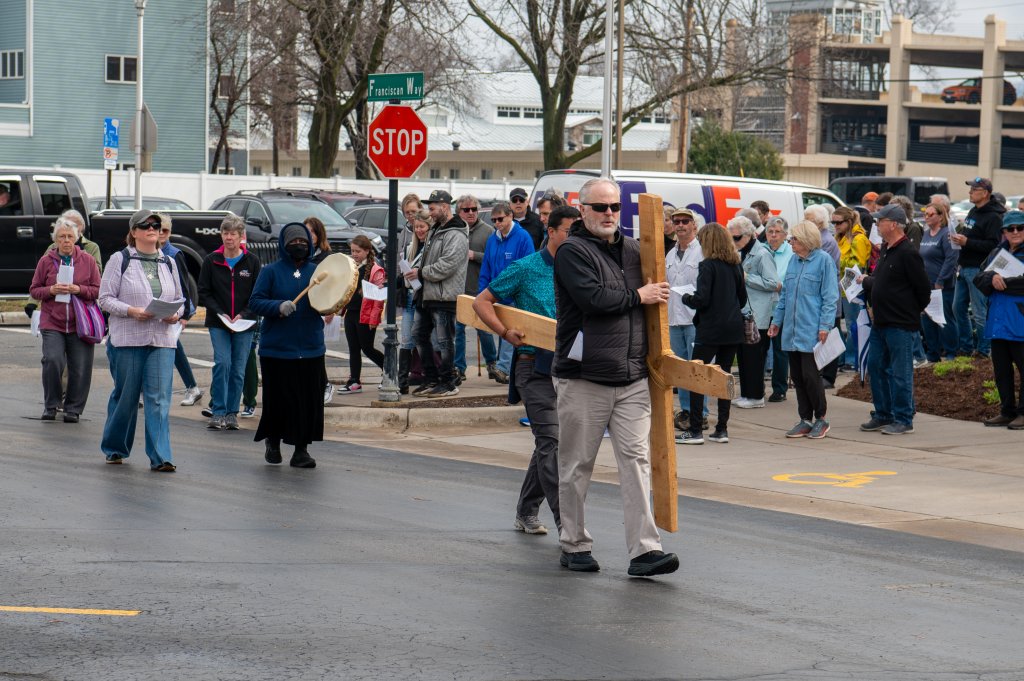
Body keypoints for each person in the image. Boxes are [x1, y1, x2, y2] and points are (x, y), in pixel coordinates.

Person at [552, 177, 678, 577]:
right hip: (584, 377)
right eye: (600, 207)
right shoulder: (572, 251)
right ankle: (574, 543)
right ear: (583, 209)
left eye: (615, 207)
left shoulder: (634, 250)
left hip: (631, 377)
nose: (609, 214)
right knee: (577, 464)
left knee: (637, 462)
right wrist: (639, 296)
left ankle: (645, 550)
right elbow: (593, 299)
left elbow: (658, 282)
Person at [473, 205, 579, 537]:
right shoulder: (526, 267)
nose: (576, 240)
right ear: (552, 231)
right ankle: (568, 525)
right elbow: (481, 301)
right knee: (551, 441)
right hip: (534, 367)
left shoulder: (582, 270)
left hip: (571, 367)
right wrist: (504, 333)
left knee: (550, 443)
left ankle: (526, 510)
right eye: (570, 232)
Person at [98, 210, 184, 471]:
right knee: (127, 397)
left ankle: (161, 456)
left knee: (158, 399)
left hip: (162, 339)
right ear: (133, 232)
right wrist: (132, 311)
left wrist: (175, 314)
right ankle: (115, 447)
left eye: (156, 225)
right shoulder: (120, 259)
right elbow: (105, 299)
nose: (152, 229)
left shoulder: (169, 262)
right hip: (128, 339)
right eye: (145, 225)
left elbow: (180, 299)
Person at [248, 223, 326, 468]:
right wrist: (278, 306)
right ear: (283, 245)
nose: (298, 245)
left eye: (303, 242)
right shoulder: (270, 271)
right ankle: (273, 441)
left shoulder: (317, 272)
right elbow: (255, 301)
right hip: (278, 350)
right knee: (279, 400)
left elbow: (328, 300)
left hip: (311, 348)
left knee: (307, 401)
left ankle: (301, 450)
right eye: (293, 242)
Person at [859, 204, 932, 436]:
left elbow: (923, 290)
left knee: (900, 372)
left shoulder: (908, 252)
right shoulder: (886, 248)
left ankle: (903, 418)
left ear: (893, 224)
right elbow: (882, 281)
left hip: (900, 324)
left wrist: (910, 311)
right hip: (881, 322)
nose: (876, 224)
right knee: (876, 367)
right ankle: (884, 413)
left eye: (880, 221)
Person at [768, 221, 839, 439]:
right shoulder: (794, 261)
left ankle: (821, 418)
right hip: (792, 330)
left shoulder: (824, 261)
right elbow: (785, 295)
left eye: (794, 239)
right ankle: (805, 419)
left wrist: (825, 325)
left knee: (810, 375)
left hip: (812, 330)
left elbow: (830, 297)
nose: (790, 242)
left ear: (807, 240)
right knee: (797, 377)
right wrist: (776, 321)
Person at [678, 223, 747, 445]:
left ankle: (695, 430)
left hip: (710, 329)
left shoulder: (707, 266)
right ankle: (722, 429)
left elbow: (701, 299)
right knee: (725, 376)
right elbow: (742, 299)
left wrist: (686, 298)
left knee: (697, 376)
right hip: (733, 327)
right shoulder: (735, 265)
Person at [28, 216, 102, 422]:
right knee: (52, 360)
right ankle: (51, 405)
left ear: (76, 238)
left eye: (70, 236)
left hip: (81, 322)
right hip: (53, 321)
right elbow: (34, 289)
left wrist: (79, 289)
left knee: (80, 367)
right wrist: (51, 290)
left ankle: (73, 409)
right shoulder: (46, 261)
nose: (66, 240)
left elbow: (98, 290)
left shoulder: (87, 260)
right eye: (62, 237)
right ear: (56, 240)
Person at [197, 214, 262, 430]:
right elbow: (203, 292)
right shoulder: (211, 260)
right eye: (225, 233)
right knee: (222, 363)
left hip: (244, 323)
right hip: (219, 322)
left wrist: (243, 314)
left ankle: (232, 412)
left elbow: (258, 294)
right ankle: (218, 412)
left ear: (241, 236)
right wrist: (220, 313)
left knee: (238, 369)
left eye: (233, 234)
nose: (229, 238)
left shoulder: (252, 261)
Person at [406, 190, 468, 398]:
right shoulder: (436, 230)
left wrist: (421, 273)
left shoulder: (456, 233)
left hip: (445, 296)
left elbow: (448, 265)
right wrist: (419, 273)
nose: (430, 213)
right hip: (427, 294)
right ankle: (431, 379)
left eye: (432, 209)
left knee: (444, 341)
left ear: (445, 207)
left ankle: (448, 382)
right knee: (419, 335)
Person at [973, 210, 1024, 430]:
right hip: (997, 321)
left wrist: (1001, 282)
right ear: (1004, 231)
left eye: (1020, 228)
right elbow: (978, 277)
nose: (1015, 232)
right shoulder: (997, 252)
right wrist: (992, 277)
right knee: (1002, 371)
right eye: (1010, 228)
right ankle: (1007, 411)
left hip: (1020, 322)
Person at [479, 200, 534, 383]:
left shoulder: (523, 237)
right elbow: (486, 268)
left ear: (510, 216)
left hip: (515, 296)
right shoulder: (492, 239)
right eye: (493, 220)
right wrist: (482, 293)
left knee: (510, 332)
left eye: (500, 219)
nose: (497, 223)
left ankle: (503, 368)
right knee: (498, 330)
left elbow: (528, 269)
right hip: (495, 295)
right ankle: (505, 367)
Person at [730, 215, 778, 410]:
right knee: (743, 356)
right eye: (731, 237)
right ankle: (746, 394)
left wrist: (747, 277)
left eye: (737, 237)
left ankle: (756, 396)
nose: (734, 241)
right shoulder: (741, 252)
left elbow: (773, 283)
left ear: (749, 234)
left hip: (758, 314)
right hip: (744, 312)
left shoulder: (762, 254)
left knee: (754, 357)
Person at [952, 177, 1004, 359]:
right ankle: (966, 347)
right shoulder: (973, 211)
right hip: (964, 266)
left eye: (974, 189)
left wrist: (967, 242)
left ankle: (984, 350)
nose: (970, 192)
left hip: (978, 269)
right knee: (957, 308)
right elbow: (969, 233)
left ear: (985, 193)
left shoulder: (994, 216)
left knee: (979, 312)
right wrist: (958, 238)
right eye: (971, 189)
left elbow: (993, 246)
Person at [156, 213, 204, 408]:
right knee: (170, 348)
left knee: (170, 348)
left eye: (165, 230)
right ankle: (192, 387)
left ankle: (191, 387)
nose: (161, 233)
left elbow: (185, 287)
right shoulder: (145, 252)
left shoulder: (175, 254)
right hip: (153, 310)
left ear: (170, 232)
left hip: (173, 312)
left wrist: (185, 315)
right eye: (158, 229)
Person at [453, 194, 499, 383]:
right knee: (458, 330)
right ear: (459, 212)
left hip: (480, 289)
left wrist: (475, 255)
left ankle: (492, 364)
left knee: (484, 329)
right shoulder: (454, 230)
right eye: (466, 210)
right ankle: (459, 367)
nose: (471, 213)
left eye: (474, 209)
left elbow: (494, 258)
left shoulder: (488, 231)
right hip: (458, 289)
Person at [665, 208, 705, 428]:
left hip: (694, 319)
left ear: (694, 225)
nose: (680, 225)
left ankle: (701, 413)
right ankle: (686, 411)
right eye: (676, 221)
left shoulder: (702, 252)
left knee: (697, 368)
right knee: (680, 369)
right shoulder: (670, 254)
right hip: (674, 318)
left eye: (685, 221)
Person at [338, 234, 386, 393]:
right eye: (352, 251)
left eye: (357, 251)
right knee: (353, 349)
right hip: (350, 313)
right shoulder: (351, 267)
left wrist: (374, 319)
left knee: (367, 348)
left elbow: (378, 299)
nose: (354, 254)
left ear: (367, 251)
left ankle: (389, 372)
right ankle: (354, 381)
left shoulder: (375, 269)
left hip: (365, 315)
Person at [919, 202, 960, 362]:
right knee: (927, 319)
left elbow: (951, 259)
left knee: (945, 318)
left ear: (941, 216)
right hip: (926, 285)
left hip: (942, 285)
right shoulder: (926, 233)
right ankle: (932, 353)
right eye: (925, 214)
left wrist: (940, 280)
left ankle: (951, 352)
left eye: (931, 214)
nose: (927, 217)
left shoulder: (947, 233)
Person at [303, 216, 336, 403]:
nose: (309, 236)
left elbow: (332, 284)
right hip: (304, 306)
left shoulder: (326, 256)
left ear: (319, 234)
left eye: (312, 232)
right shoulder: (301, 254)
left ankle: (325, 384)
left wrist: (331, 308)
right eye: (306, 231)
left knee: (316, 349)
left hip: (320, 307)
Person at [834, 206, 871, 371]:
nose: (835, 226)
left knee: (853, 325)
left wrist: (839, 261)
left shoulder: (858, 238)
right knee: (844, 324)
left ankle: (852, 360)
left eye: (838, 222)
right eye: (833, 222)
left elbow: (858, 264)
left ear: (849, 221)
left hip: (854, 288)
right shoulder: (842, 237)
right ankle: (844, 358)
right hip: (843, 287)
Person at [398, 208, 431, 394]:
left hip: (424, 298)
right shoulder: (410, 247)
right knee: (405, 339)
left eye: (422, 226)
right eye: (416, 227)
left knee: (422, 338)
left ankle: (431, 377)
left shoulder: (432, 247)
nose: (419, 230)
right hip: (410, 295)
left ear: (429, 227)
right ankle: (402, 382)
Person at [765, 216, 793, 402]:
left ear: (785, 235)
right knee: (758, 348)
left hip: (781, 307)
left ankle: (779, 388)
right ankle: (755, 387)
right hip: (762, 307)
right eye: (770, 231)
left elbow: (789, 280)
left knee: (780, 349)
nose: (773, 235)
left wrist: (778, 285)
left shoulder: (790, 253)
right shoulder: (762, 250)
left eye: (777, 232)